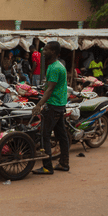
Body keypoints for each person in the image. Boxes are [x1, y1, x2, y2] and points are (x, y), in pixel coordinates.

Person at [30, 41, 69, 175]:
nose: (43, 52)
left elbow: (50, 89)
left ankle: (47, 167)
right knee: (62, 136)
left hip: (54, 105)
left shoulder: (54, 68)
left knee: (45, 135)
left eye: (46, 49)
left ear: (53, 52)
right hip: (59, 104)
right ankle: (64, 163)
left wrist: (39, 105)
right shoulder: (57, 66)